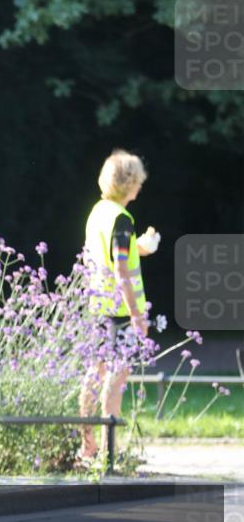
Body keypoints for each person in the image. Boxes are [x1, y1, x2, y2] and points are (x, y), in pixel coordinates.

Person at [79, 149, 159, 461]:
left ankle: (87, 447)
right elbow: (121, 269)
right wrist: (138, 316)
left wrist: (139, 248)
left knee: (93, 375)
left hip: (96, 305)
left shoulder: (99, 211)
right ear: (130, 183)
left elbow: (110, 254)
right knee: (115, 380)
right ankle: (109, 451)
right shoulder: (122, 219)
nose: (141, 185)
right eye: (138, 180)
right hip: (121, 313)